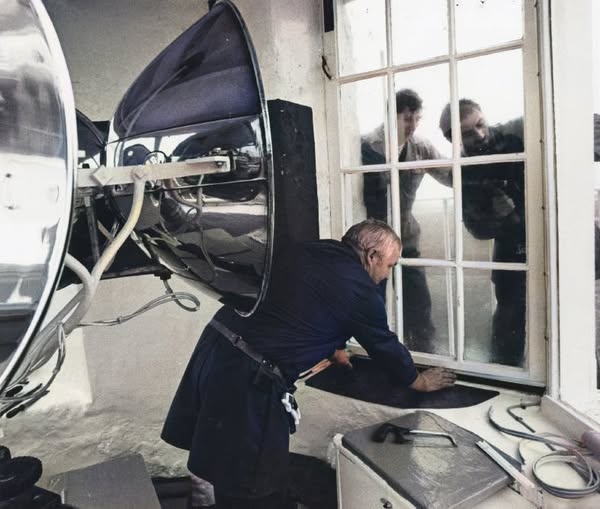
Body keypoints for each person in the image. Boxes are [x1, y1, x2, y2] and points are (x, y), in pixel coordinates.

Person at [161, 219, 456, 508]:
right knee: (252, 480)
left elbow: (314, 301)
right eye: (390, 265)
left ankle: (208, 494)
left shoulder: (316, 251)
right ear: (372, 255)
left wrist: (338, 348)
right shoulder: (359, 288)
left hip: (217, 347)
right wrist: (418, 381)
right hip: (249, 374)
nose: (387, 275)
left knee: (224, 455)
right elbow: (383, 343)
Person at [362, 89, 450, 352]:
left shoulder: (421, 147)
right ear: (392, 117)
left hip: (405, 237)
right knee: (374, 302)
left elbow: (450, 174)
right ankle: (377, 353)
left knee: (418, 300)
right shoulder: (366, 145)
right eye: (407, 119)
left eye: (416, 119)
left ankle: (424, 353)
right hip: (372, 243)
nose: (412, 126)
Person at [439, 99, 526, 366]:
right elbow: (477, 229)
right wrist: (499, 215)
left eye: (480, 124)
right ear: (452, 138)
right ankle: (507, 377)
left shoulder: (519, 131)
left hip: (564, 235)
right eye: (467, 132)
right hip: (512, 247)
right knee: (509, 316)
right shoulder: (465, 172)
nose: (479, 134)